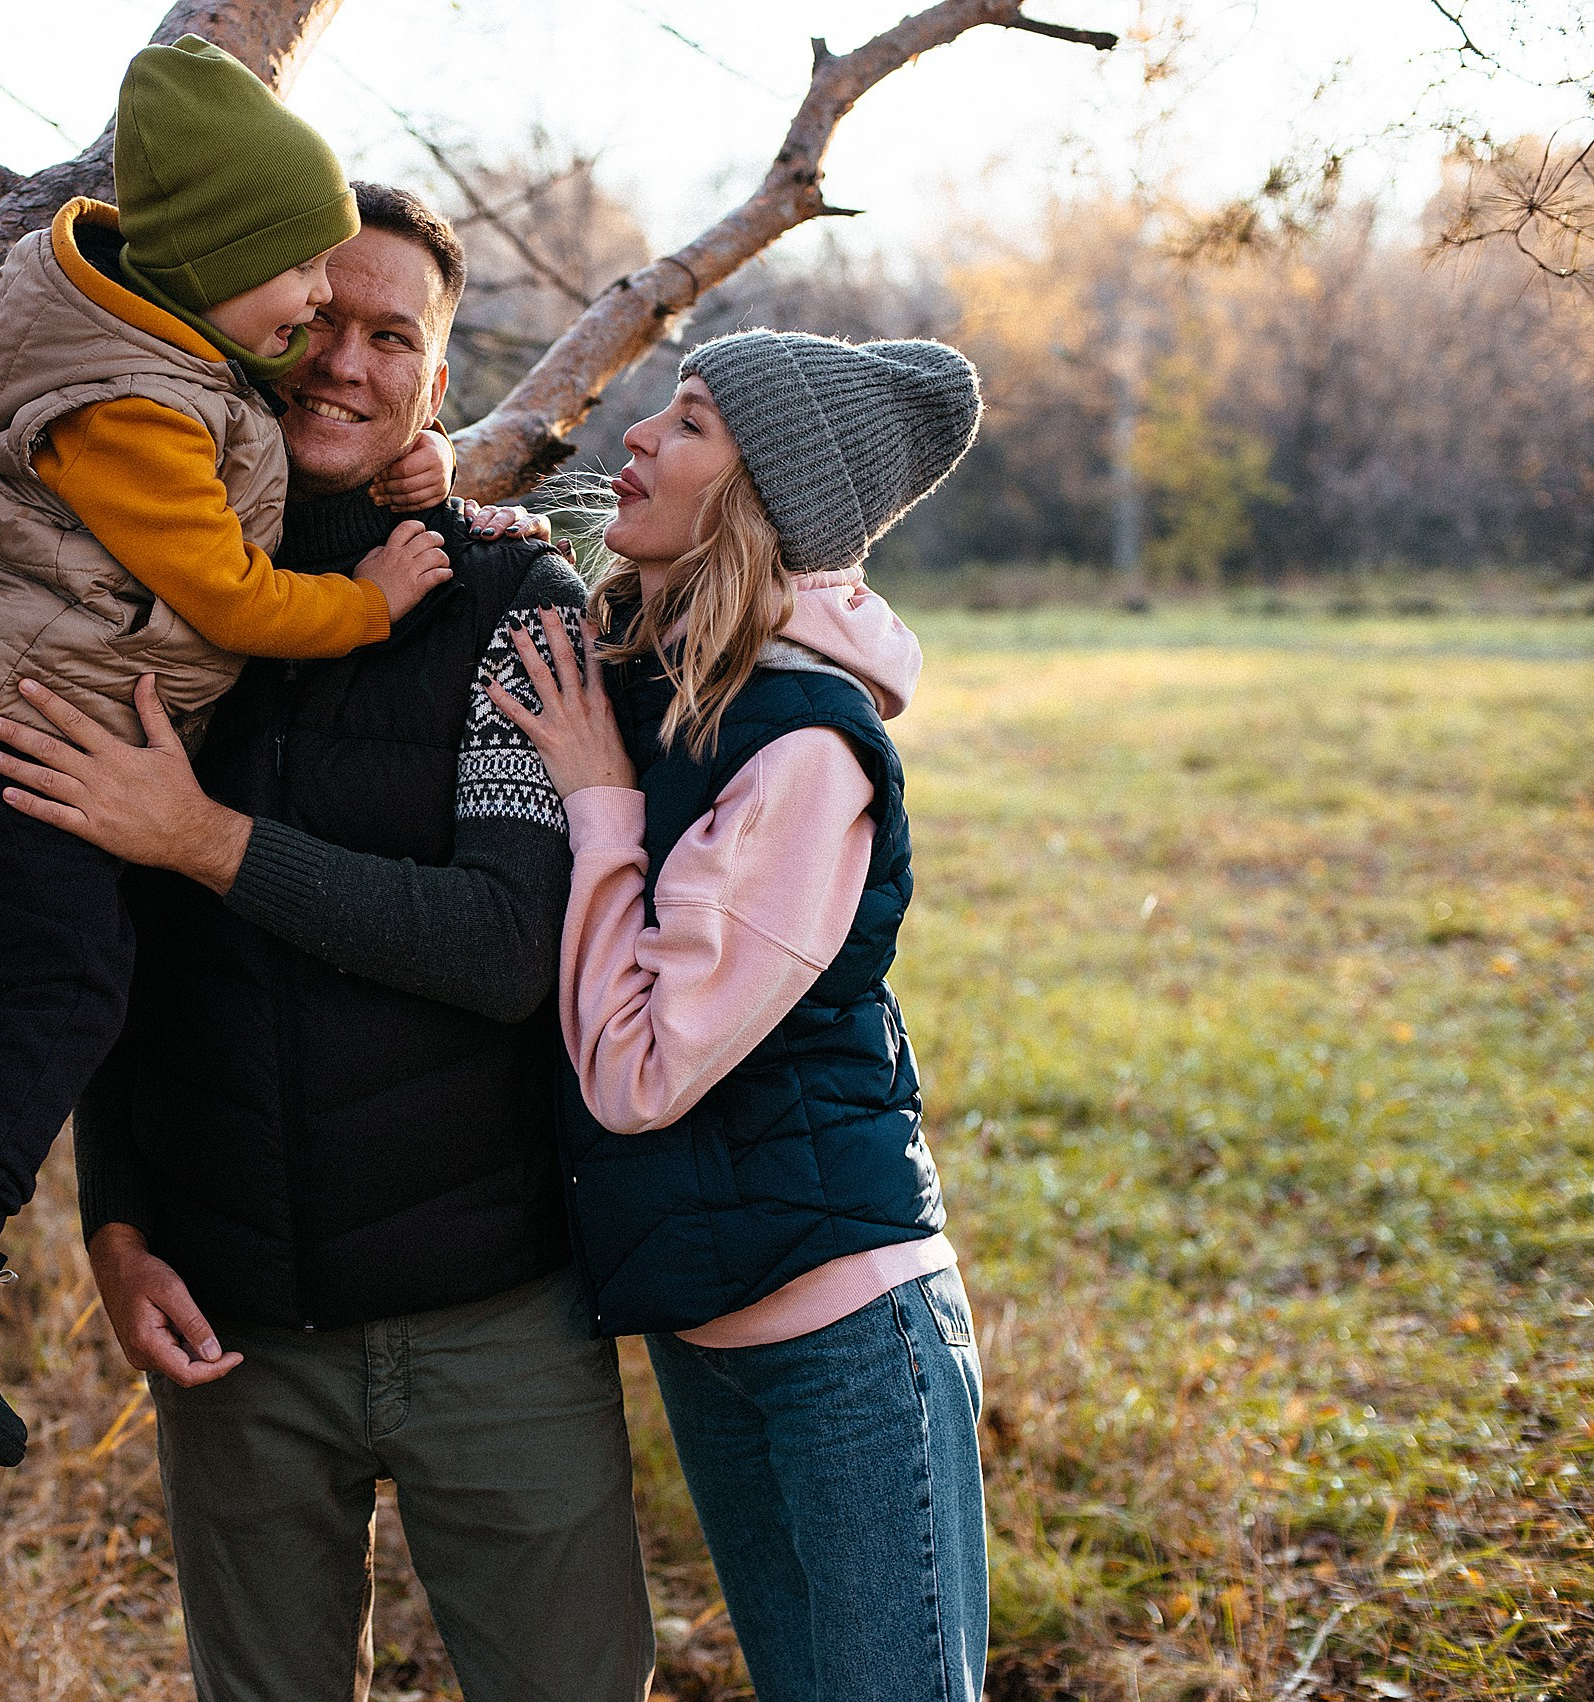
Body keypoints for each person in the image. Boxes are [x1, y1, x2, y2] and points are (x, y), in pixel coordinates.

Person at [0, 184, 657, 1702]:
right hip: (235, 1331)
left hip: (496, 1319)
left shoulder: (510, 605)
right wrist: (119, 1217)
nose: (343, 360)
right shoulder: (139, 593)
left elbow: (502, 940)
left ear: (436, 382)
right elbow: (108, 944)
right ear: (255, 332)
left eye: (389, 336)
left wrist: (205, 839)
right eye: (319, 320)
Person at [0, 37, 455, 1468]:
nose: (319, 317)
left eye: (378, 325)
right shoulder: (132, 404)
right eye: (304, 282)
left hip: (36, 697)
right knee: (82, 977)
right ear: (218, 266)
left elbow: (297, 449)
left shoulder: (165, 349)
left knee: (95, 971)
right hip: (24, 716)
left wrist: (434, 469)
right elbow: (233, 589)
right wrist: (371, 603)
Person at [486, 330, 991, 1702]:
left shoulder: (805, 748)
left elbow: (643, 1070)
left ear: (761, 492)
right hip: (710, 1318)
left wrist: (596, 799)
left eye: (691, 421)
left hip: (845, 1340)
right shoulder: (657, 672)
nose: (637, 436)